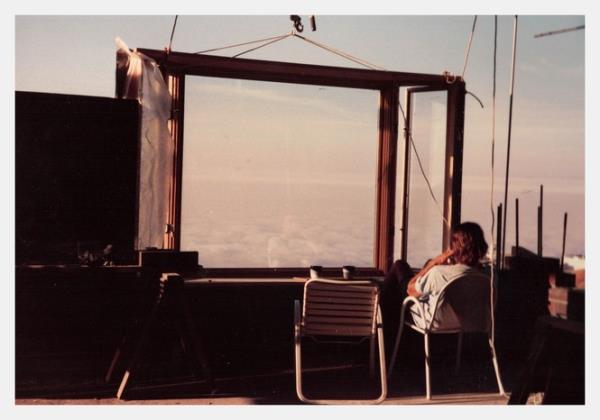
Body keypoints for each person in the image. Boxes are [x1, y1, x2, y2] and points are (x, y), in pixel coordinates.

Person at [380, 221, 489, 354]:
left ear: (455, 248)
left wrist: (434, 262)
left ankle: (380, 338)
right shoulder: (486, 276)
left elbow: (410, 289)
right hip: (467, 323)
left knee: (399, 266)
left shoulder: (439, 273)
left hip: (433, 321)